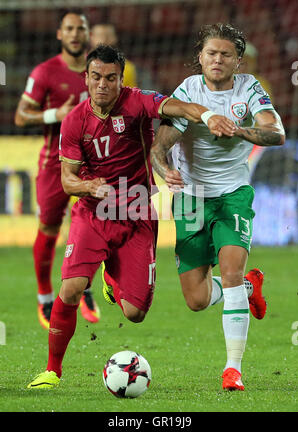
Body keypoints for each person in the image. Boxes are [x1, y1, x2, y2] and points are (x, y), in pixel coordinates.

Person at [27, 44, 237, 388]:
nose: (103, 85)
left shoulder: (137, 101)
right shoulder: (74, 121)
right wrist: (89, 187)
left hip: (137, 217)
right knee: (71, 290)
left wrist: (208, 115)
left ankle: (113, 278)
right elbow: (67, 179)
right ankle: (53, 370)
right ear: (86, 78)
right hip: (92, 217)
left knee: (135, 314)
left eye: (111, 78)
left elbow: (176, 106)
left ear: (120, 80)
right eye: (96, 77)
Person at [150, 23, 285, 391]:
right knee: (196, 299)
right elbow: (159, 149)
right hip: (191, 199)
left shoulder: (249, 89)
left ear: (238, 60)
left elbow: (277, 133)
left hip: (233, 195)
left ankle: (233, 369)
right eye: (211, 53)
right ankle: (248, 284)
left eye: (226, 54)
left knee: (227, 272)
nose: (218, 60)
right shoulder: (188, 92)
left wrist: (238, 129)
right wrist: (167, 172)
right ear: (200, 57)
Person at [14, 11, 100, 329]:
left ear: (88, 34)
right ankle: (44, 296)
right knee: (50, 229)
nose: (76, 34)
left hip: (94, 163)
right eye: (70, 29)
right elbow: (22, 116)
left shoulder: (97, 71)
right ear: (59, 34)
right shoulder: (46, 71)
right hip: (54, 163)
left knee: (99, 226)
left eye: (81, 29)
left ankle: (86, 287)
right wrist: (55, 114)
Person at [90, 23, 138, 88]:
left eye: (108, 36)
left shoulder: (127, 68)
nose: (104, 40)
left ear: (115, 38)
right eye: (100, 35)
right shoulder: (81, 65)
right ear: (91, 37)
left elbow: (131, 95)